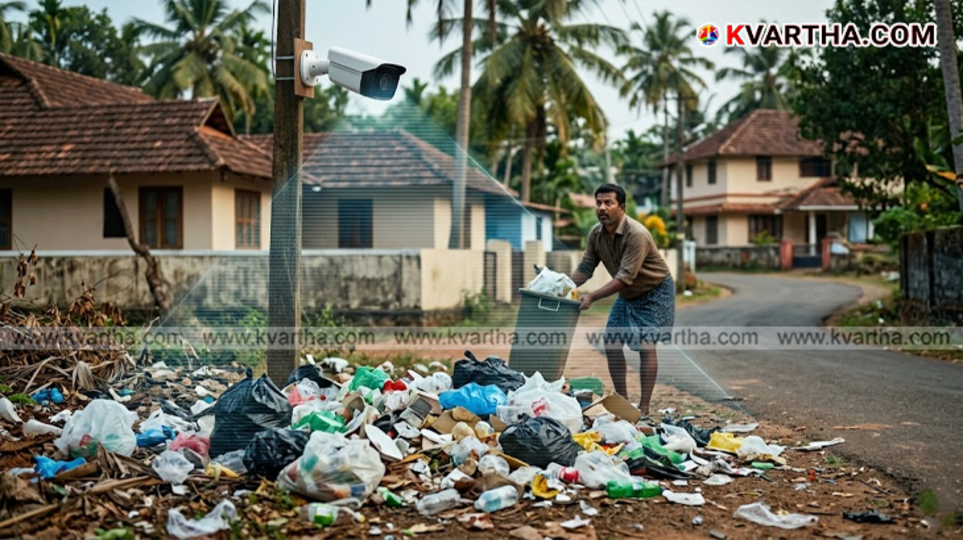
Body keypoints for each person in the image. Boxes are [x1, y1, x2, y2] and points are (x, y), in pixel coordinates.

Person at [569, 183, 675, 415]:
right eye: (599, 203)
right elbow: (586, 268)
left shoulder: (636, 234)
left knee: (647, 346)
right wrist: (562, 285)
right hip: (628, 293)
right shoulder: (595, 234)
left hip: (655, 291)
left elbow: (624, 278)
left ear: (622, 207)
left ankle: (644, 408)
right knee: (612, 342)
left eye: (609, 203)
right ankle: (624, 404)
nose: (602, 207)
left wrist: (592, 297)